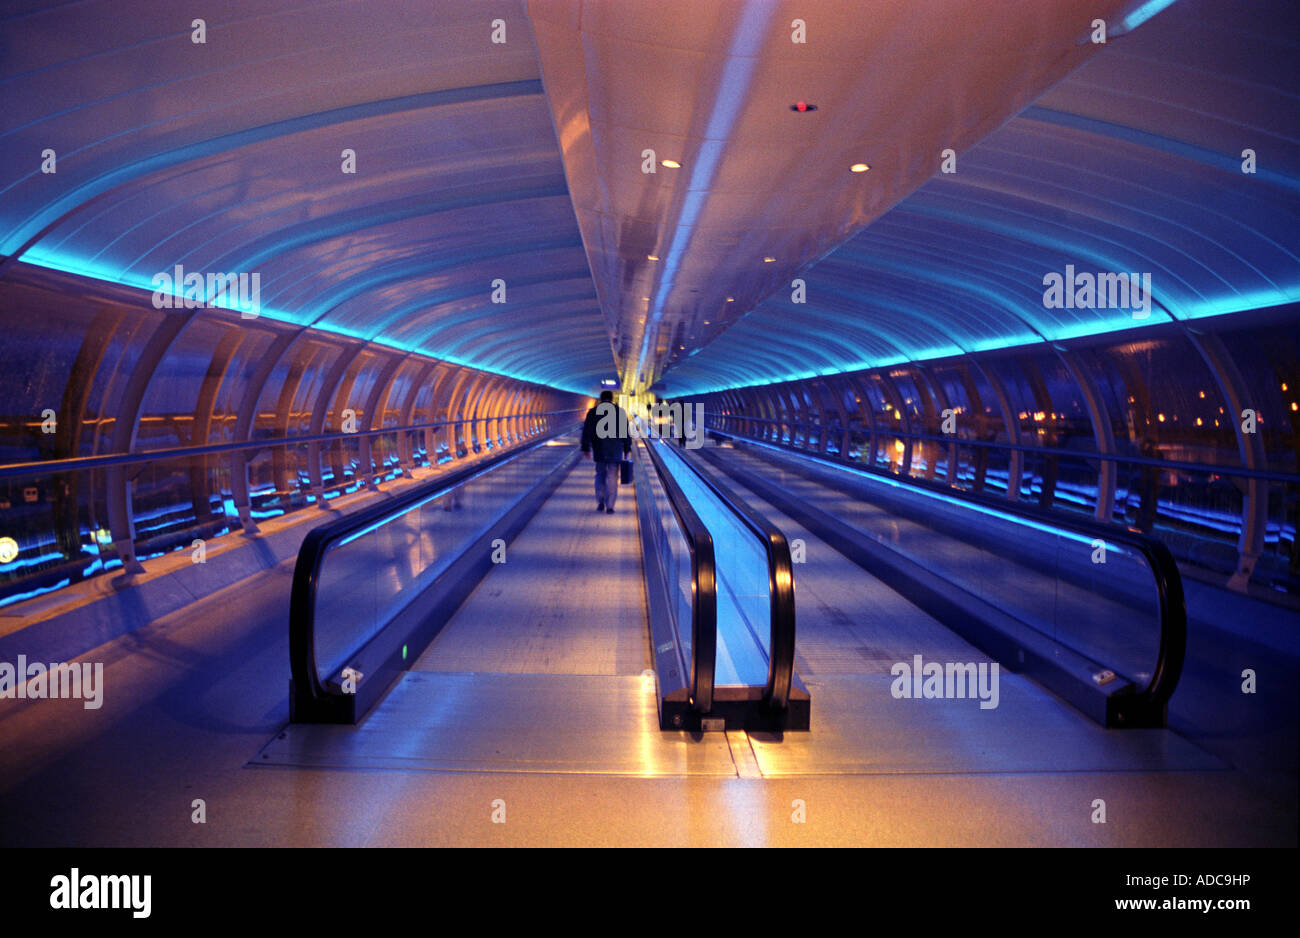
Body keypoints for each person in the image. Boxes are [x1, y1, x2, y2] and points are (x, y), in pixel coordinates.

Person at [581, 390, 632, 514]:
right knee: (613, 476)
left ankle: (600, 501)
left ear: (601, 399)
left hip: (599, 449)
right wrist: (626, 447)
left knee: (600, 474)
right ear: (612, 398)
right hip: (616, 450)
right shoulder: (620, 412)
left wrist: (586, 447)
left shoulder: (592, 413)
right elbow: (625, 432)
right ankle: (610, 506)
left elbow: (587, 431)